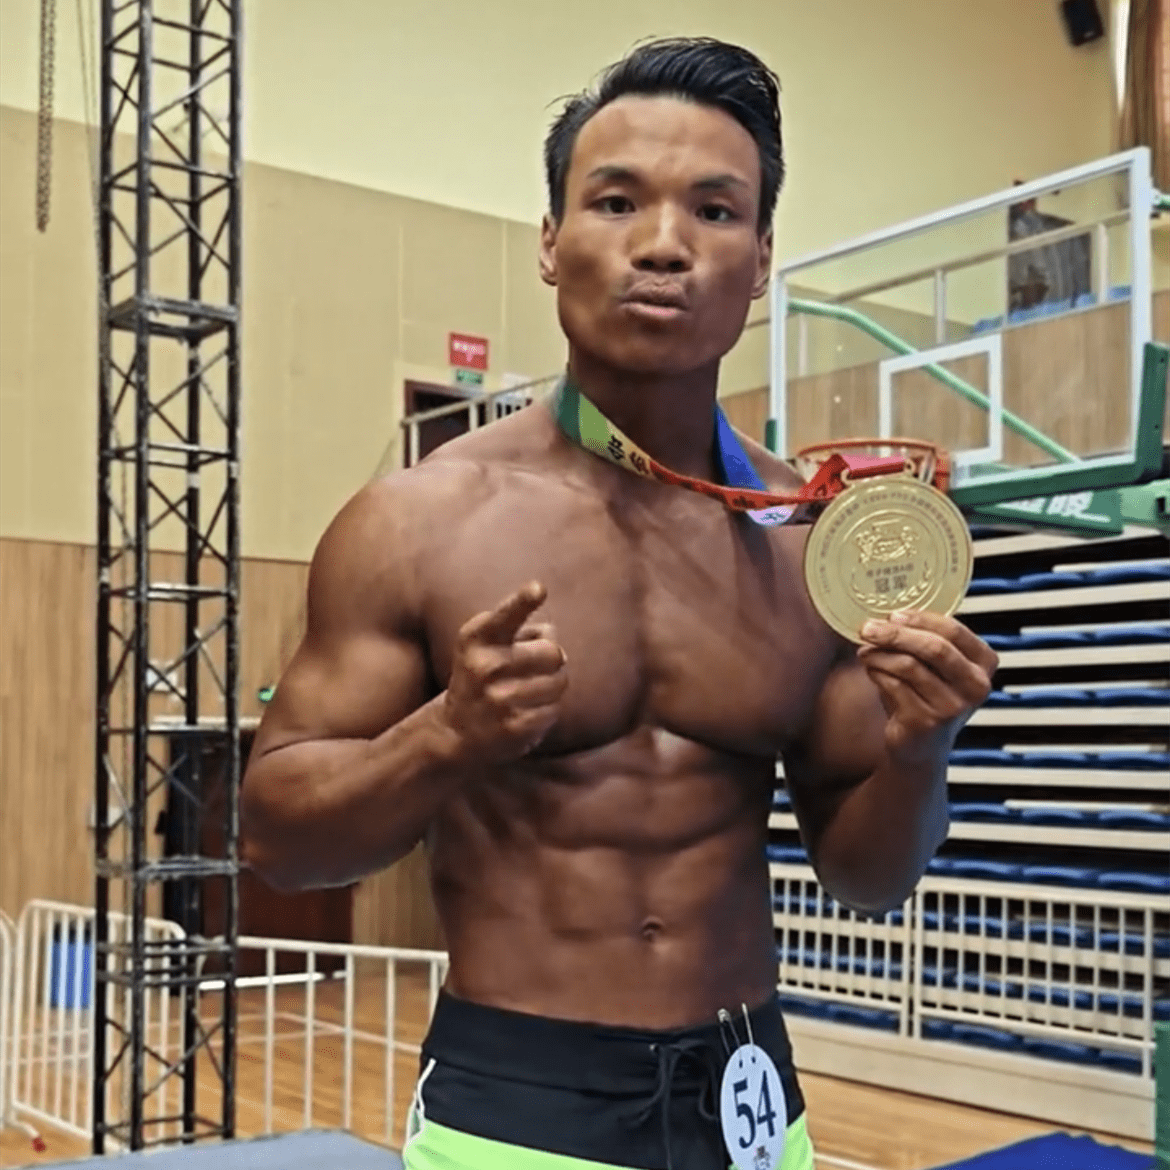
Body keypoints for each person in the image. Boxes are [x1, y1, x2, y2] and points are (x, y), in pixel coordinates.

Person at [240, 36, 998, 1170]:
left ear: (761, 258)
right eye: (616, 201)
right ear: (551, 242)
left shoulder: (809, 542)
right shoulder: (417, 521)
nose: (662, 244)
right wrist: (448, 736)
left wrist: (923, 748)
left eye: (714, 210)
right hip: (520, 1102)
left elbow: (869, 879)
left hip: (749, 1097)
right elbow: (277, 839)